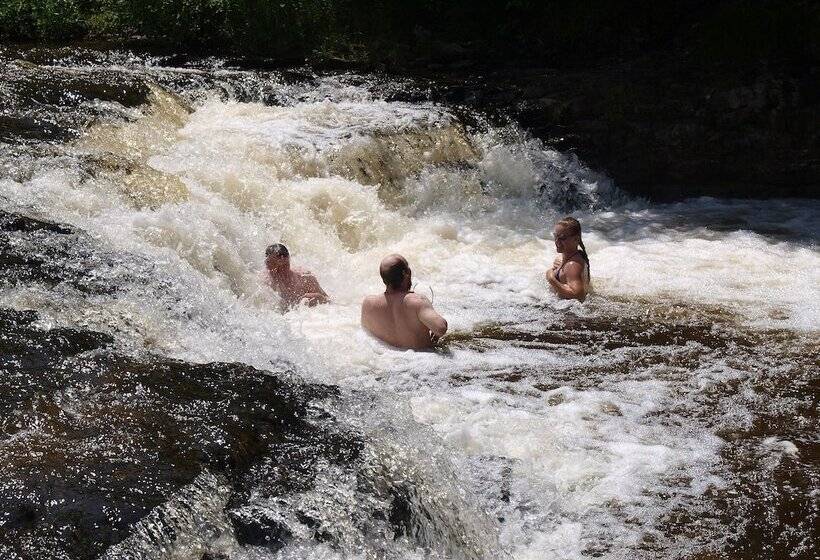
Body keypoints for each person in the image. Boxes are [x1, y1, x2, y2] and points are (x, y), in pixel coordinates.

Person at [361, 254, 448, 349]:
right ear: (406, 273)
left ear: (383, 278)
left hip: (390, 360)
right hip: (423, 359)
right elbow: (441, 328)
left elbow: (366, 334)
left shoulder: (368, 304)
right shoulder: (416, 301)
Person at [265, 243, 328, 309]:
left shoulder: (305, 277)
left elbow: (329, 301)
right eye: (273, 265)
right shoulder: (264, 282)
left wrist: (318, 297)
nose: (280, 270)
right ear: (267, 263)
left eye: (284, 265)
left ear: (288, 259)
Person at [546, 216, 590, 302]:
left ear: (576, 239)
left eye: (562, 238)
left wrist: (551, 279)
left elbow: (578, 295)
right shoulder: (577, 256)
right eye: (556, 236)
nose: (557, 241)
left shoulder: (572, 265)